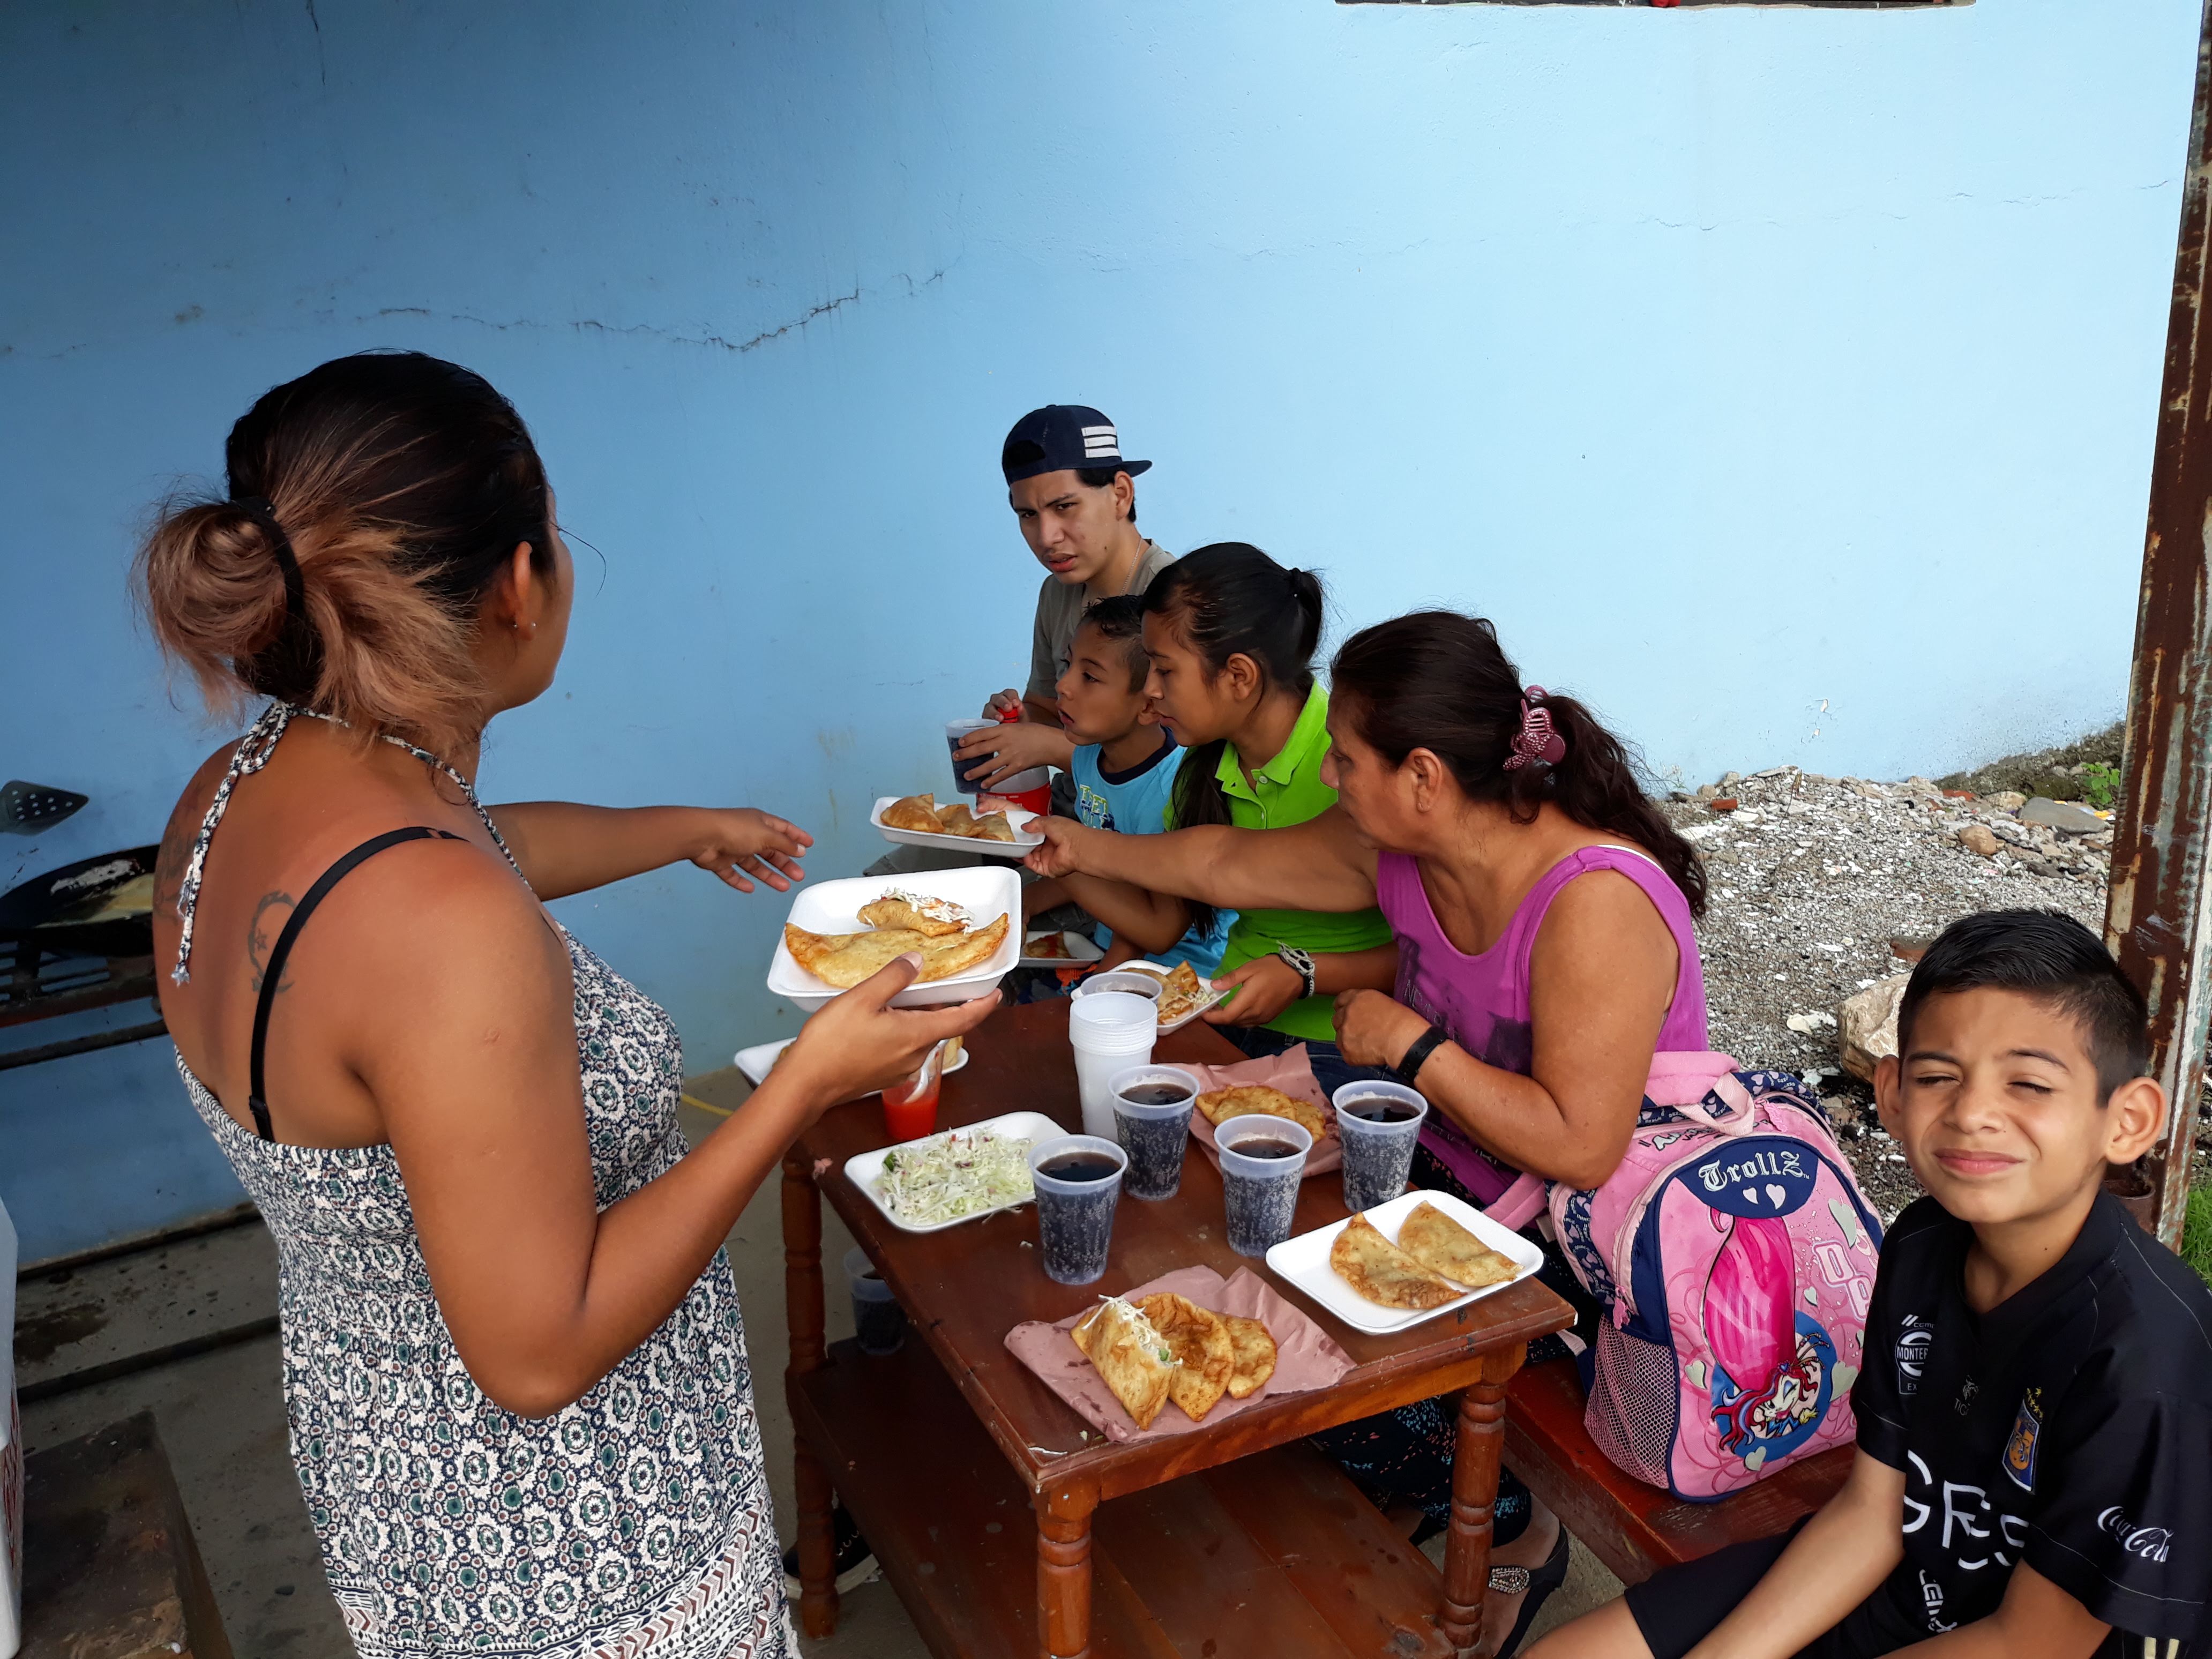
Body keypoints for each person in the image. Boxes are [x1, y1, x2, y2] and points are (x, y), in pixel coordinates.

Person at [139, 351, 996, 1658]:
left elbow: (458, 855)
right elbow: (540, 1354)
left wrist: (674, 827)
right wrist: (799, 1088)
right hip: (578, 1553)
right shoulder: (450, 930)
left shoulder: (232, 793)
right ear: (519, 580)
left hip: (390, 1480)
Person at [1027, 608, 1711, 1652]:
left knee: (1306, 1347)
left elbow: (1580, 1146)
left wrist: (1411, 1045)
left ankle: (1515, 1530)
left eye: (1346, 759)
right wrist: (1088, 848)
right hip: (1455, 1162)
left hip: (1596, 1241)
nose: (1330, 776)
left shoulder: (1595, 903)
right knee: (1230, 1232)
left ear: (1423, 776)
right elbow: (1230, 862)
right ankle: (1414, 1470)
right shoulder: (1406, 852)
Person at [1530, 909, 2211, 1659]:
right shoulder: (1922, 1244)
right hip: (1904, 1579)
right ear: (1891, 1093)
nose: (1973, 1114)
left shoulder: (2145, 1364)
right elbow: (1875, 1511)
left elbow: (2034, 1641)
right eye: (1938, 1077)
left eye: (2029, 1083)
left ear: (2128, 1120)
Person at [952, 403, 1177, 795]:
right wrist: (1019, 723)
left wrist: (1050, 747)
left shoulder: (1176, 600)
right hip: (1069, 811)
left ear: (1120, 495)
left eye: (1064, 507)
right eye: (1027, 515)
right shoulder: (1056, 591)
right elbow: (1047, 709)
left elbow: (1186, 760)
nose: (1046, 537)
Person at [1020, 595, 1231, 976]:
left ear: (1149, 705)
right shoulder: (1087, 757)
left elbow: (1155, 929)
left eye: (1090, 676)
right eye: (1068, 664)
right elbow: (1089, 866)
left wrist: (1096, 987)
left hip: (1182, 971)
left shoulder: (1174, 789)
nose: (1063, 685)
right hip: (1110, 943)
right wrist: (1025, 903)